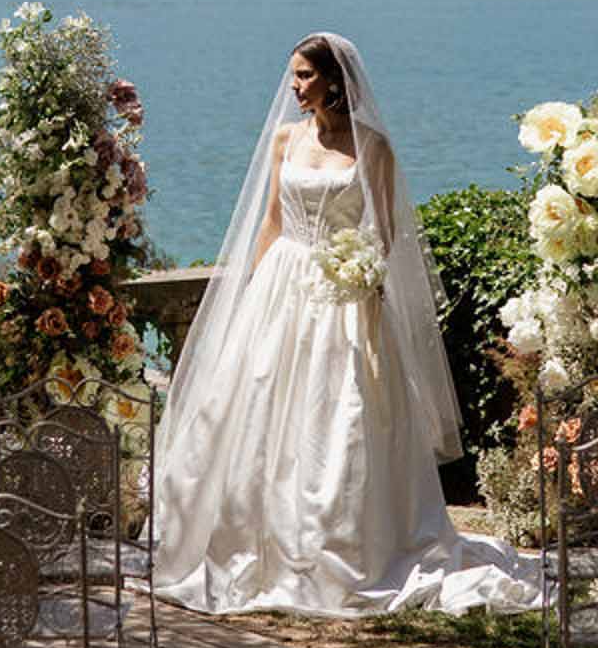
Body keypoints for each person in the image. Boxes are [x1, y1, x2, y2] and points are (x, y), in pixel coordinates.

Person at [151, 33, 539, 617]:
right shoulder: (286, 140)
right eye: (293, 76)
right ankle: (256, 539)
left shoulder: (373, 148)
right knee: (260, 406)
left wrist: (361, 275)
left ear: (334, 80)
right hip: (283, 286)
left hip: (343, 295)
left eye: (304, 75)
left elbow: (385, 235)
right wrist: (252, 290)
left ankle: (342, 542)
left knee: (340, 417)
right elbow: (272, 224)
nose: (294, 86)